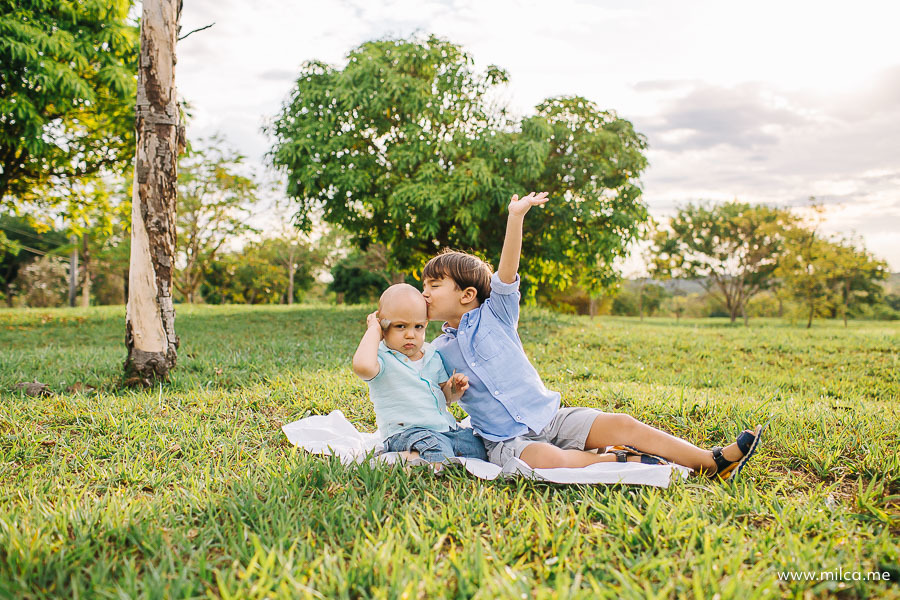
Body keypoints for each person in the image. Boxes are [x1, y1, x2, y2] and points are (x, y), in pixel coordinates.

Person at [421, 191, 765, 479]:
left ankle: (711, 461)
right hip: (506, 441)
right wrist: (451, 392)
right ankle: (618, 458)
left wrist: (515, 217)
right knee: (545, 460)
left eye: (434, 286)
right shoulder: (436, 350)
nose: (425, 293)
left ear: (467, 294)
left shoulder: (497, 313)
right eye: (424, 286)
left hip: (549, 417)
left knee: (622, 422)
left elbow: (507, 272)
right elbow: (438, 399)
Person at [351, 283, 487, 464]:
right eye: (400, 326)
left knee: (479, 448)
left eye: (418, 327)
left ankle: (420, 456)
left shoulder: (432, 355)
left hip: (445, 430)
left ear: (426, 325)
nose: (410, 334)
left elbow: (446, 398)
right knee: (437, 452)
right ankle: (398, 460)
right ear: (383, 327)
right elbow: (362, 367)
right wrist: (373, 331)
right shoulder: (382, 358)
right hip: (407, 433)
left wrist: (453, 388)